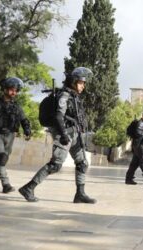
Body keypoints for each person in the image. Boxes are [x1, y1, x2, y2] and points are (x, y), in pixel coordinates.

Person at [19, 67, 96, 203]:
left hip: (75, 134)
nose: (83, 86)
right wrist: (64, 135)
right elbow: (58, 116)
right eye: (80, 82)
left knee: (82, 163)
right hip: (64, 134)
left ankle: (80, 194)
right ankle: (28, 188)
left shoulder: (74, 97)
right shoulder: (64, 96)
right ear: (73, 82)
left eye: (83, 83)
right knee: (55, 164)